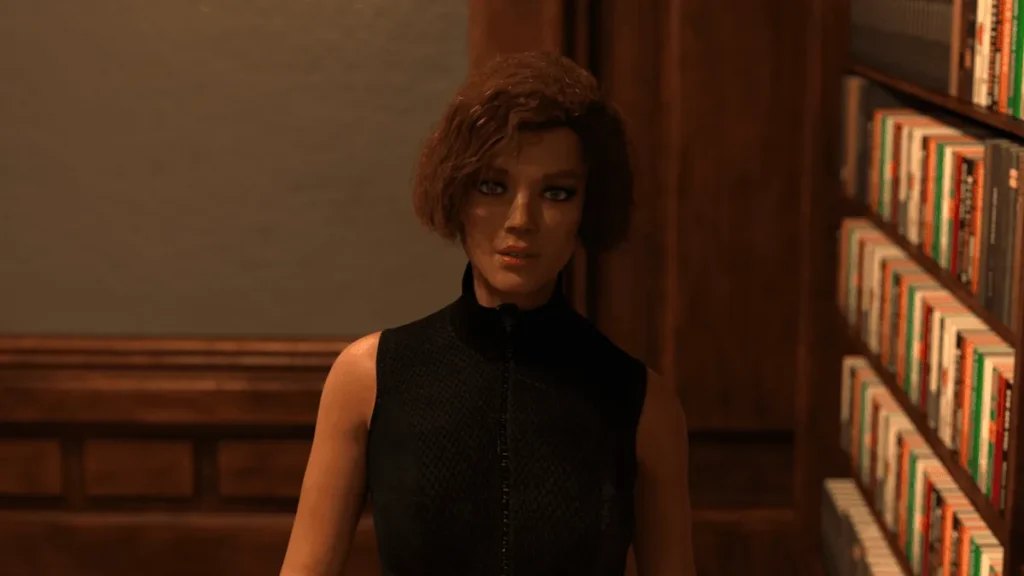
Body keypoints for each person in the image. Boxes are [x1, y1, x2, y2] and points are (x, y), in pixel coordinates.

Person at [280, 52, 696, 576]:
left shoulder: (642, 403)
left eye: (556, 193)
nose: (522, 220)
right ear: (457, 193)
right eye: (493, 186)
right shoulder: (369, 378)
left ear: (586, 209)